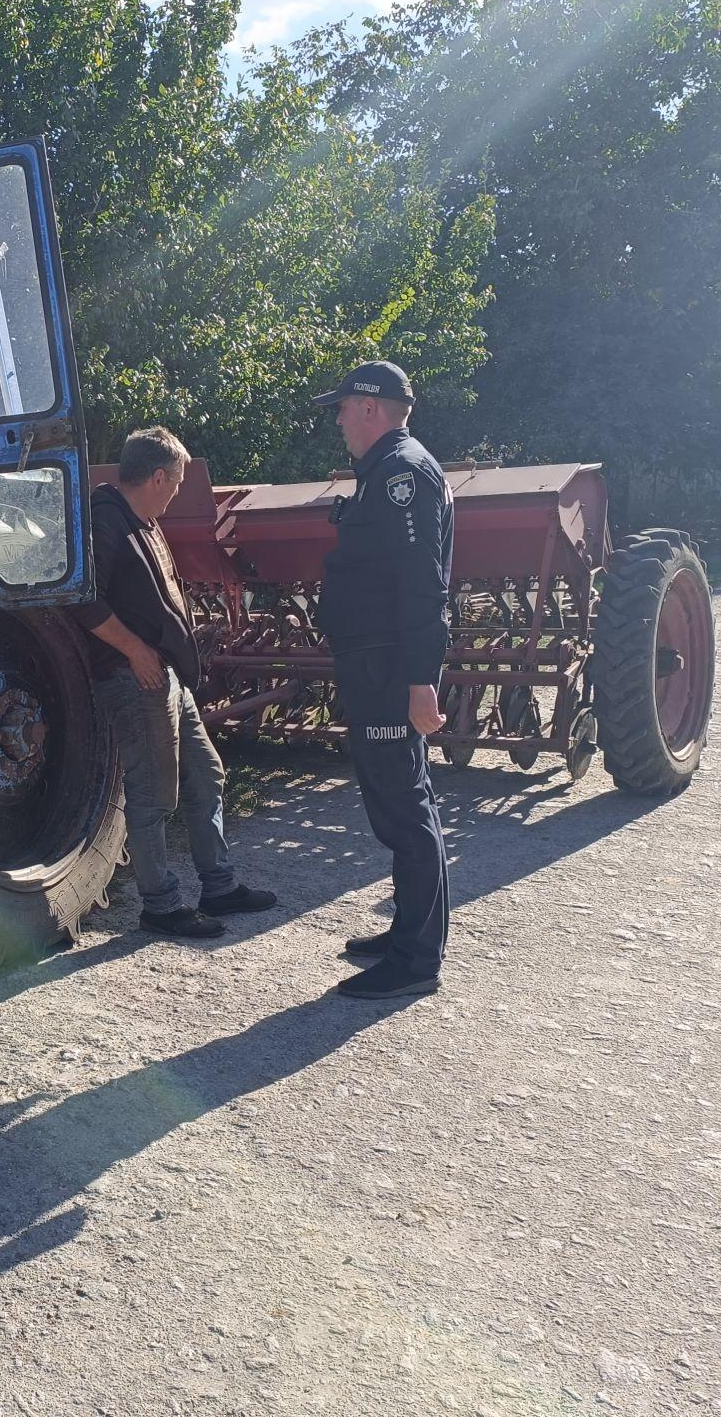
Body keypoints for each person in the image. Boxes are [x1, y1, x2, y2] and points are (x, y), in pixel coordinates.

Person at [73, 427, 278, 938]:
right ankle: (161, 905)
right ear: (158, 475)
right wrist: (136, 650)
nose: (177, 492)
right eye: (177, 481)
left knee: (207, 774)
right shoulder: (106, 523)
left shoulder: (143, 522)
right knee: (153, 794)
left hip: (167, 678)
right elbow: (83, 600)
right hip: (134, 677)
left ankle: (219, 886)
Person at [313, 361, 454, 1000]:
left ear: (371, 407)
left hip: (390, 665)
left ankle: (416, 960)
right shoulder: (386, 470)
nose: (339, 418)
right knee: (394, 800)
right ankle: (406, 930)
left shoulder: (401, 474)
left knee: (405, 806)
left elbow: (423, 583)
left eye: (343, 406)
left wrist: (421, 679)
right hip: (374, 660)